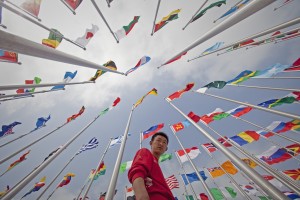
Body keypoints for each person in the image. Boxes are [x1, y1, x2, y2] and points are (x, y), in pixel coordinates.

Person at [128, 132, 175, 200]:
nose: (161, 144)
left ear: (166, 149)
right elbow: (137, 173)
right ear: (151, 143)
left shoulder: (157, 166)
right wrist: (141, 196)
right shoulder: (145, 152)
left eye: (164, 142)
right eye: (158, 140)